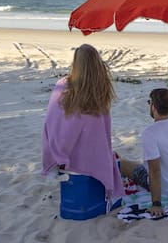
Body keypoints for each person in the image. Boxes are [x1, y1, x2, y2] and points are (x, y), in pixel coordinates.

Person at [41, 44, 121, 205]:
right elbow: (103, 129)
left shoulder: (64, 86)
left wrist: (59, 152)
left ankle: (56, 164)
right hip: (96, 154)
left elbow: (53, 122)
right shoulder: (101, 89)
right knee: (119, 162)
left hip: (66, 154)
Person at [117, 87, 168, 218]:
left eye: (149, 103)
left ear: (153, 106)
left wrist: (156, 203)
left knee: (121, 164)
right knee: (138, 163)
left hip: (167, 186)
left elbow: (154, 171)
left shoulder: (150, 133)